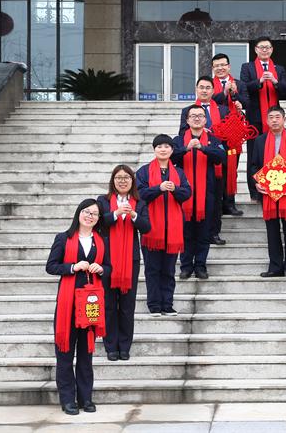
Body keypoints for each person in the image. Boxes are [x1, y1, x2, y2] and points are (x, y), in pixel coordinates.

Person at [46, 198, 111, 415]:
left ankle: (86, 398)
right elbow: (51, 266)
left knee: (86, 353)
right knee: (65, 353)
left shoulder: (102, 241)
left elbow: (109, 267)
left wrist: (101, 269)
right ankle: (68, 400)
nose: (90, 216)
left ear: (98, 219)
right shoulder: (63, 238)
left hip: (90, 304)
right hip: (68, 304)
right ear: (79, 213)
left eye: (94, 214)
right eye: (86, 211)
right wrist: (73, 267)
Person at [97, 165, 151, 361]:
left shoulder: (140, 202)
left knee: (127, 306)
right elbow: (98, 223)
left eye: (126, 177)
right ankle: (111, 346)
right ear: (113, 180)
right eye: (118, 177)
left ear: (132, 181)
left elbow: (147, 227)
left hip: (130, 259)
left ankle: (125, 346)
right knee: (109, 304)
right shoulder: (103, 201)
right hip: (108, 259)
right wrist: (117, 213)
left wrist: (134, 215)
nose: (122, 181)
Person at [136, 134, 191, 316]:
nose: (163, 149)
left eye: (167, 146)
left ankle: (167, 304)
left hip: (173, 228)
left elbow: (187, 193)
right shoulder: (144, 171)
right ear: (154, 150)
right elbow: (140, 194)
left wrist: (175, 189)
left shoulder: (179, 172)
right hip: (151, 228)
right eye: (159, 146)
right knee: (152, 269)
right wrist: (158, 188)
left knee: (169, 269)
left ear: (172, 150)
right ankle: (154, 305)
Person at [250, 105, 286, 279]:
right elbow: (253, 165)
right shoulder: (260, 141)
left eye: (277, 117)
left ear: (284, 119)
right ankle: (275, 267)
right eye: (271, 117)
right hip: (268, 194)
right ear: (266, 121)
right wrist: (257, 183)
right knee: (272, 232)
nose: (274, 120)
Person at [172, 104, 226, 279]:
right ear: (187, 120)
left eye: (200, 116)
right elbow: (171, 157)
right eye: (193, 116)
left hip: (207, 193)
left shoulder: (213, 139)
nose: (196, 118)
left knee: (204, 232)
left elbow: (221, 157)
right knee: (186, 232)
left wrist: (203, 148)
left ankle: (201, 266)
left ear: (205, 120)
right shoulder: (178, 140)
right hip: (184, 194)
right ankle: (186, 266)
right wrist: (186, 148)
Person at [179, 76, 230, 245]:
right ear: (196, 90)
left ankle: (214, 233)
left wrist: (212, 137)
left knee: (215, 201)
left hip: (214, 159)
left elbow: (228, 132)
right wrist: (200, 131)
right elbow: (182, 132)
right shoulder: (187, 110)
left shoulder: (223, 110)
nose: (204, 90)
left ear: (213, 90)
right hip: (193, 160)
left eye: (208, 87)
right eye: (201, 87)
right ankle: (192, 233)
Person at [240, 36, 286, 201]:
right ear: (256, 50)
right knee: (254, 153)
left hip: (274, 117)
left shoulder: (279, 69)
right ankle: (255, 190)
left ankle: (275, 186)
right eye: (261, 47)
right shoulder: (247, 67)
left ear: (272, 50)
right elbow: (244, 87)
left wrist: (275, 82)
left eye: (267, 47)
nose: (265, 50)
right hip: (255, 117)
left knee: (276, 151)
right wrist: (259, 81)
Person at [211, 53, 248, 218]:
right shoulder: (209, 84)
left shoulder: (239, 84)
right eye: (217, 66)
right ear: (213, 68)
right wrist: (224, 93)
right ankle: (217, 204)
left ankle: (229, 203)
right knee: (216, 170)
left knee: (231, 169)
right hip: (215, 133)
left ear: (229, 66)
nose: (220, 68)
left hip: (234, 134)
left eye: (223, 65)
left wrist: (237, 99)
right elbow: (209, 101)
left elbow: (247, 101)